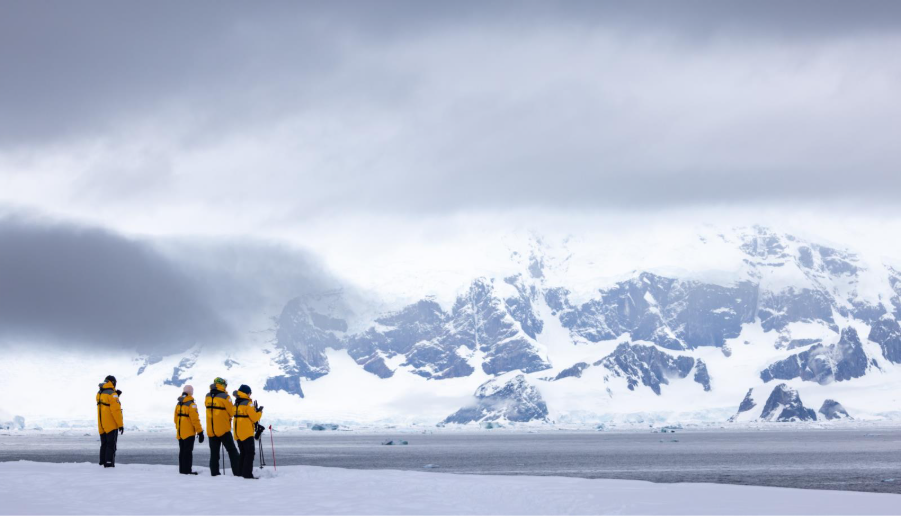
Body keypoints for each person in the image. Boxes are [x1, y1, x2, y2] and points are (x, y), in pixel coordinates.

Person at [205, 377, 240, 476]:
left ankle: (214, 473)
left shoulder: (207, 396)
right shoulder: (225, 397)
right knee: (232, 451)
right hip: (223, 429)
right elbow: (232, 412)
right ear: (223, 385)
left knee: (214, 454)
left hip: (211, 430)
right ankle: (237, 472)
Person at [233, 384, 263, 479]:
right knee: (249, 453)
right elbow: (254, 418)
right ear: (247, 393)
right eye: (250, 393)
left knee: (243, 453)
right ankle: (247, 474)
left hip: (237, 432)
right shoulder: (248, 403)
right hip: (246, 432)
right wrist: (259, 412)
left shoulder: (236, 402)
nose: (250, 395)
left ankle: (240, 473)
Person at [174, 384, 204, 475]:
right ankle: (187, 470)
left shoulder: (179, 404)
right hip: (189, 433)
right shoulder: (191, 405)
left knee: (182, 451)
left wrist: (179, 428)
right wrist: (200, 432)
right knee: (188, 452)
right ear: (191, 392)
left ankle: (182, 470)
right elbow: (195, 420)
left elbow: (175, 419)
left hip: (180, 433)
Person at [96, 375, 123, 468]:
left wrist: (116, 395)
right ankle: (109, 464)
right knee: (111, 445)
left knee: (104, 444)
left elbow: (105, 405)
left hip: (101, 424)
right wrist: (120, 425)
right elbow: (116, 411)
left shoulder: (100, 392)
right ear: (113, 382)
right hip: (111, 424)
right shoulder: (112, 394)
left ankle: (102, 462)